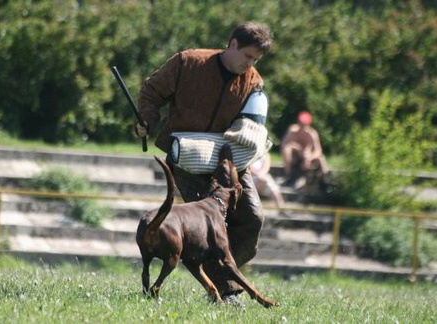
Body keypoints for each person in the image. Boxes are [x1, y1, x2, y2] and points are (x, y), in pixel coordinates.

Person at [133, 22, 272, 306]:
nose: (251, 64)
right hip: (186, 157)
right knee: (204, 228)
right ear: (232, 44)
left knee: (253, 217)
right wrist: (146, 121)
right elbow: (151, 91)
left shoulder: (253, 81)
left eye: (256, 60)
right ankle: (228, 292)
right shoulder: (188, 62)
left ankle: (216, 273)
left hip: (227, 159)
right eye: (248, 56)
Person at [280, 111, 331, 189]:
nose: (302, 126)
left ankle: (325, 182)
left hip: (309, 156)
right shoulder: (292, 131)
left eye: (304, 124)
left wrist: (309, 157)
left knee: (321, 159)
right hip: (296, 156)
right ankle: (289, 176)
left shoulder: (312, 134)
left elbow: (318, 150)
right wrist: (296, 148)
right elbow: (284, 145)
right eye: (301, 123)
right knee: (287, 150)